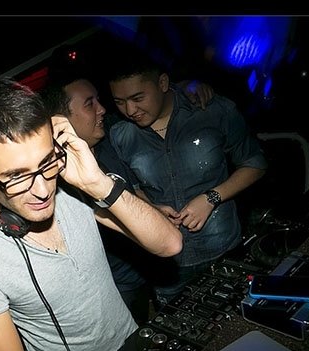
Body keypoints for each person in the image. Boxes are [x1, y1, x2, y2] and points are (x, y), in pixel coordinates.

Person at [0, 76, 208, 351]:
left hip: (136, 350)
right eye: (17, 176)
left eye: (46, 163)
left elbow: (169, 243)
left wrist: (97, 182)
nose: (43, 190)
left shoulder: (73, 185)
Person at [41, 57, 215, 322]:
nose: (102, 109)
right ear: (60, 121)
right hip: (118, 283)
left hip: (150, 265)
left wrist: (186, 86)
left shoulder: (108, 137)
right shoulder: (59, 182)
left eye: (98, 100)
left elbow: (153, 97)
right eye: (90, 104)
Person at [106, 45, 268, 305]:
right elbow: (133, 189)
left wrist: (211, 198)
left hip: (223, 250)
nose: (130, 109)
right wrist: (152, 210)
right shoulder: (120, 135)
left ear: (162, 83)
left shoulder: (212, 110)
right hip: (167, 268)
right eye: (119, 102)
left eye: (138, 97)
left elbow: (255, 164)